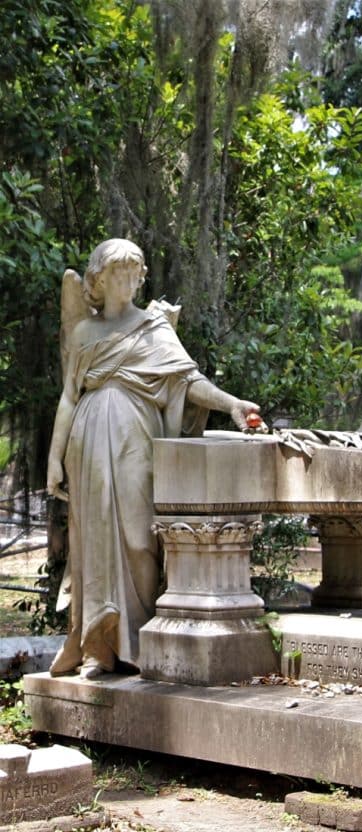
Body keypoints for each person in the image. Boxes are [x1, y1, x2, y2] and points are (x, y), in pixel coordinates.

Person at [46, 238, 259, 679]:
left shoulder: (153, 328)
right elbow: (69, 398)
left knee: (140, 539)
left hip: (135, 441)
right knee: (94, 539)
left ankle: (140, 639)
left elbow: (188, 381)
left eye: (132, 272)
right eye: (116, 272)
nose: (125, 280)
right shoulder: (84, 333)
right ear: (98, 280)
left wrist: (231, 403)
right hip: (87, 444)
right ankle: (98, 648)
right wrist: (54, 457)